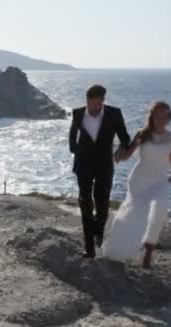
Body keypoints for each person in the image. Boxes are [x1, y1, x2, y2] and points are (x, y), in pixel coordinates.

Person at [102, 101, 171, 268]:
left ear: (169, 117)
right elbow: (128, 154)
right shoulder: (142, 134)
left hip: (159, 181)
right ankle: (117, 247)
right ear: (152, 116)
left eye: (164, 116)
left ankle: (148, 255)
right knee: (133, 215)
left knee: (158, 213)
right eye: (157, 115)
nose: (160, 119)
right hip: (139, 181)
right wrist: (114, 156)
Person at [69, 84, 131, 259]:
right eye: (93, 103)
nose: (96, 107)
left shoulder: (114, 113)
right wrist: (74, 149)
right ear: (87, 100)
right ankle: (89, 248)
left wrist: (122, 148)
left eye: (99, 104)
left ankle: (99, 230)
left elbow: (125, 137)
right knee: (85, 202)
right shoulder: (78, 113)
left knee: (102, 201)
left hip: (104, 164)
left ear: (103, 101)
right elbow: (73, 133)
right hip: (83, 164)